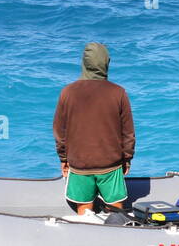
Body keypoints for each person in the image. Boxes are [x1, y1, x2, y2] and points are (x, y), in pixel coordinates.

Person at [53, 42, 135, 215]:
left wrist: (64, 158)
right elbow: (127, 132)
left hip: (79, 164)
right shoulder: (118, 92)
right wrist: (126, 158)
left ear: (85, 63)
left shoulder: (67, 92)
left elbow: (60, 132)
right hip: (110, 164)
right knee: (116, 211)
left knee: (84, 210)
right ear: (106, 63)